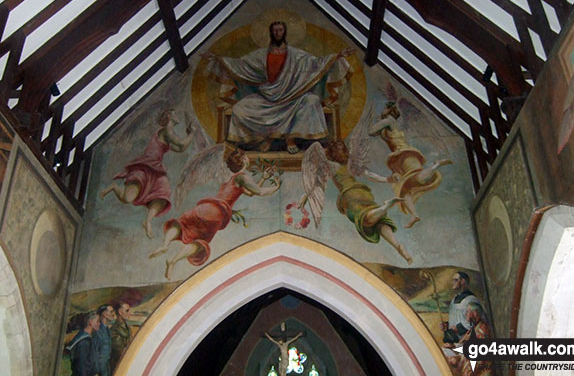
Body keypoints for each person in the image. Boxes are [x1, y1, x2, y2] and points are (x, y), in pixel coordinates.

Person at [204, 21, 354, 154]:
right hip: (267, 99)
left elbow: (317, 63)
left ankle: (289, 138)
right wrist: (219, 60)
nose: (277, 33)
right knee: (240, 109)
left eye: (280, 30)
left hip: (294, 98)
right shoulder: (261, 55)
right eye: (275, 30)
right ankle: (267, 137)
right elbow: (240, 65)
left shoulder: (296, 56)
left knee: (312, 100)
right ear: (270, 33)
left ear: (285, 32)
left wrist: (337, 56)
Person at [149, 149, 281, 279]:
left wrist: (262, 178)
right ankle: (174, 260)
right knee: (200, 242)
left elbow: (250, 192)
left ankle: (165, 245)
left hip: (205, 207)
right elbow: (259, 192)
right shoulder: (242, 177)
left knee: (182, 223)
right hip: (217, 213)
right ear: (243, 160)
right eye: (246, 156)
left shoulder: (232, 180)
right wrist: (276, 187)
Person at [99, 109, 194, 238]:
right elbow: (182, 144)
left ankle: (147, 221)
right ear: (169, 116)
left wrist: (189, 135)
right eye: (175, 113)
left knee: (163, 193)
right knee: (128, 198)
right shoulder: (167, 130)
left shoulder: (167, 134)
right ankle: (114, 187)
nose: (177, 116)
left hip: (156, 170)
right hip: (145, 166)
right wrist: (192, 133)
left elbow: (180, 148)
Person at [324, 140, 412, 264]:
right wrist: (390, 179)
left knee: (364, 218)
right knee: (378, 221)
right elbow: (371, 175)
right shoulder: (351, 164)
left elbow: (318, 181)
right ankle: (397, 245)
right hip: (363, 192)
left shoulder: (332, 166)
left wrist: (306, 196)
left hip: (349, 195)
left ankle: (386, 206)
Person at [367, 101, 452, 228]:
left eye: (385, 109)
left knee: (418, 178)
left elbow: (371, 131)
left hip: (404, 154)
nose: (382, 111)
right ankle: (414, 215)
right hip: (398, 157)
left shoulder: (388, 121)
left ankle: (436, 165)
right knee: (403, 190)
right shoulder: (389, 123)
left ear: (389, 111)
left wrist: (378, 120)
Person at [445, 302, 494, 376]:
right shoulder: (474, 328)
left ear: (475, 313)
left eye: (468, 312)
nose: (465, 314)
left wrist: (460, 358)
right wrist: (454, 346)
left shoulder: (482, 328)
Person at [441, 271, 482, 345]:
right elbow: (457, 318)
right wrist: (447, 325)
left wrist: (458, 329)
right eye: (453, 280)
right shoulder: (454, 300)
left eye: (455, 280)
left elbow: (473, 322)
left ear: (463, 281)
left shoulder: (471, 299)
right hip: (455, 341)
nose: (453, 282)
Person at [66, 311, 100, 376]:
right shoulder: (84, 342)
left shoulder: (88, 338)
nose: (99, 324)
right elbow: (81, 366)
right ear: (90, 322)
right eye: (97, 321)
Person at [92, 304, 116, 376]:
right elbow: (94, 353)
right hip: (100, 369)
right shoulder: (98, 331)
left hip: (106, 367)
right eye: (111, 312)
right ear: (104, 314)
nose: (113, 314)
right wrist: (95, 371)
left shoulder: (107, 329)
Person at [109, 302, 132, 373]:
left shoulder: (127, 326)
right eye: (127, 310)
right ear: (120, 312)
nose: (130, 313)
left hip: (127, 363)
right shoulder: (115, 329)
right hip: (118, 366)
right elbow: (119, 352)